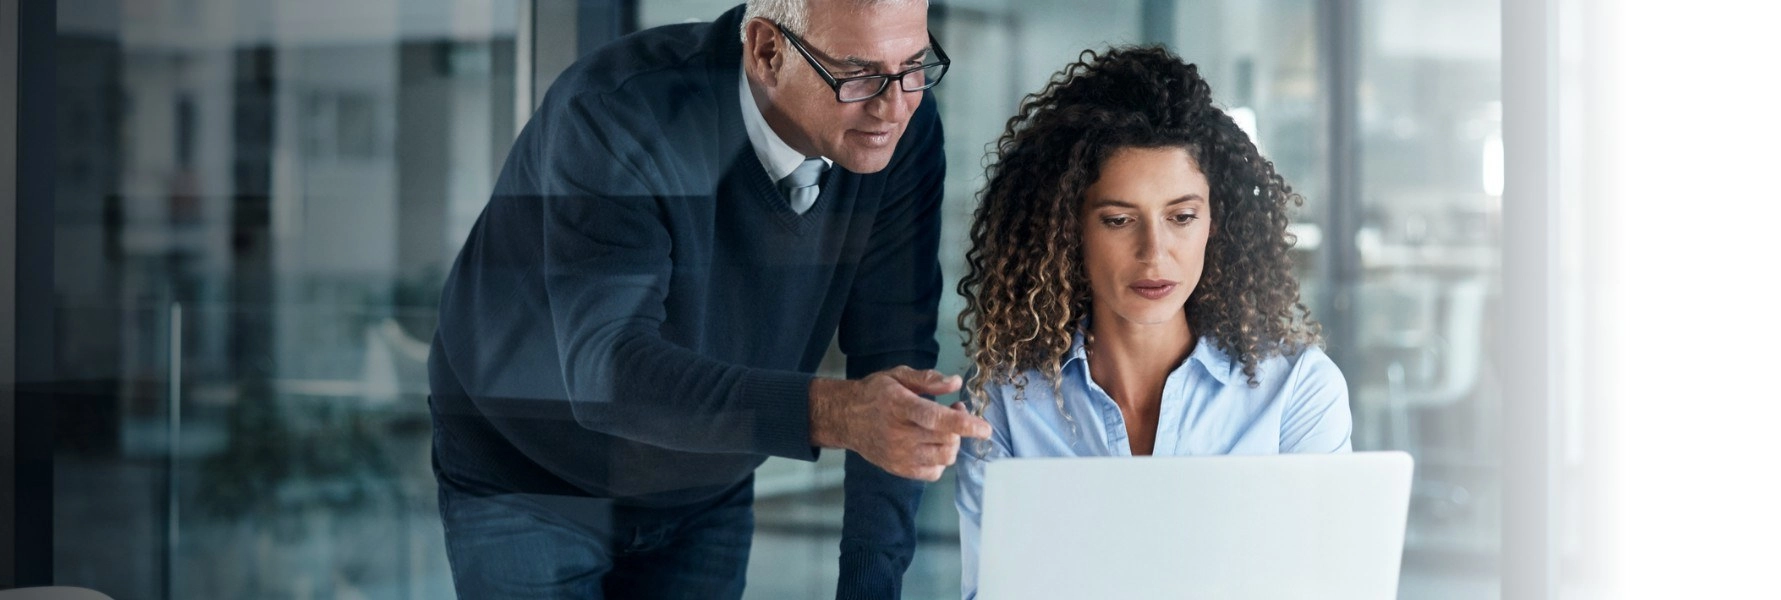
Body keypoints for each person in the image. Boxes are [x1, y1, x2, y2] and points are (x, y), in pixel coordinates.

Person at [426, 0, 991, 598]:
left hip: (707, 473)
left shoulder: (899, 126)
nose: (894, 105)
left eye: (914, 65)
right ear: (768, 51)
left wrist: (869, 585)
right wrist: (836, 414)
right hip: (531, 469)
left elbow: (893, 359)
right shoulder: (618, 111)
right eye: (860, 74)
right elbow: (606, 374)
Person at [952, 46, 1354, 598]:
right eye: (1119, 220)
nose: (1154, 254)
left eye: (1182, 217)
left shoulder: (1297, 391)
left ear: (1215, 221)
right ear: (1070, 228)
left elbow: (1326, 586)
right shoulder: (1005, 403)